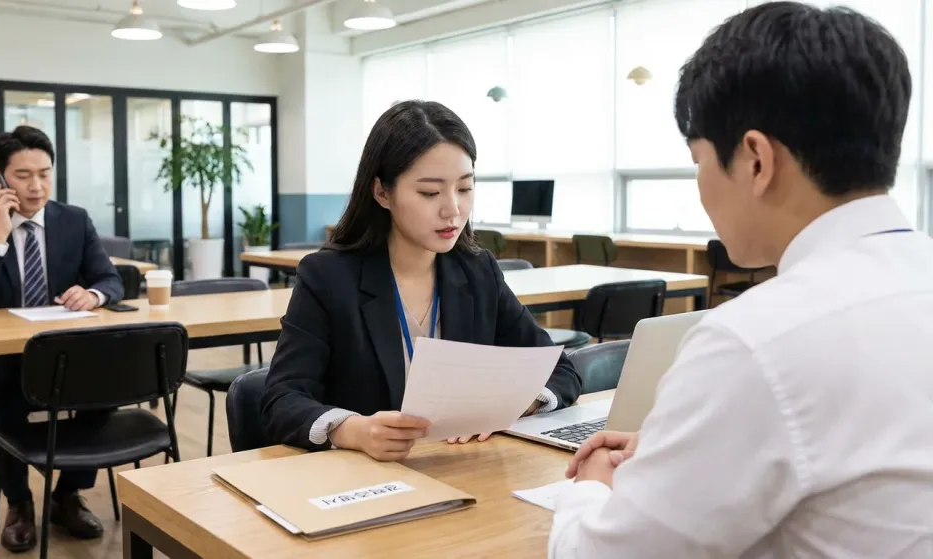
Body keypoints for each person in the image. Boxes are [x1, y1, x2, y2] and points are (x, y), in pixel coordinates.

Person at [550, 3, 933, 557]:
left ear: (756, 159)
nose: (700, 187)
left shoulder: (756, 341)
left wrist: (590, 490)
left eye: (698, 160)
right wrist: (694, 452)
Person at [260, 100, 582, 460]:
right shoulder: (328, 277)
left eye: (464, 189)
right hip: (368, 481)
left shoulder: (478, 271)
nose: (453, 210)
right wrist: (354, 431)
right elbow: (281, 400)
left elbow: (561, 368)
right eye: (430, 192)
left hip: (464, 469)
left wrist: (521, 402)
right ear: (382, 192)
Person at [0, 125, 123, 552]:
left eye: (44, 173)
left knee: (107, 389)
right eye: (23, 175)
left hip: (62, 355)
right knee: (0, 395)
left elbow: (110, 279)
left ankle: (66, 495)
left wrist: (93, 294)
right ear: (0, 177)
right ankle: (19, 503)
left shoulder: (74, 220)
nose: (36, 185)